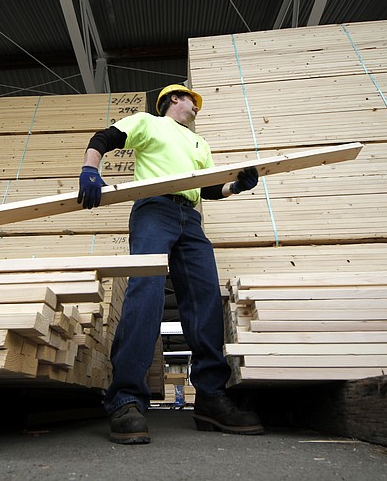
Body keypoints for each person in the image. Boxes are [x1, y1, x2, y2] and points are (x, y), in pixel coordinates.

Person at [77, 84, 264, 444]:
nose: (196, 107)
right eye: (192, 100)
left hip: (189, 218)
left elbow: (208, 188)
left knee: (205, 298)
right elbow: (106, 137)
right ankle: (126, 400)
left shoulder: (199, 144)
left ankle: (210, 397)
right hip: (153, 208)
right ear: (174, 100)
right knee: (145, 291)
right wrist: (90, 169)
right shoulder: (148, 123)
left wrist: (234, 188)